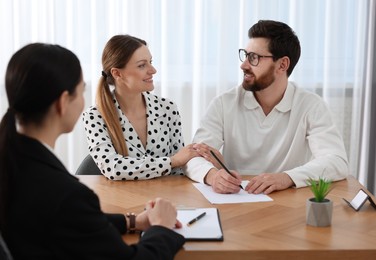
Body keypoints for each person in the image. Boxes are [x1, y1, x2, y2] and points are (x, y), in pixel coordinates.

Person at [0, 43, 185, 259]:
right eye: (81, 91)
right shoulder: (67, 194)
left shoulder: (14, 163)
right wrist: (161, 228)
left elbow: (73, 220)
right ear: (62, 103)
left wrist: (133, 222)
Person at [186, 20, 349, 194]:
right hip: (237, 200)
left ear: (282, 65)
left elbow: (336, 161)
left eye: (254, 58)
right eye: (245, 55)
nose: (243, 65)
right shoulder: (224, 103)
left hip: (288, 203)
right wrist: (213, 176)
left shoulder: (311, 105)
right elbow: (192, 157)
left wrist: (286, 177)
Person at [82, 35, 202, 180]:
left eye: (150, 62)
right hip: (122, 200)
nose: (153, 70)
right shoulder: (95, 116)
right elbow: (113, 168)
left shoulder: (167, 108)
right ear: (117, 73)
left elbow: (180, 168)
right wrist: (171, 161)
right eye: (142, 65)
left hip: (166, 197)